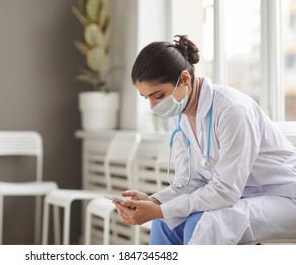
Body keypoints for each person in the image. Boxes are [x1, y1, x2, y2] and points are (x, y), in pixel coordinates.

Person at [113, 35, 296, 245]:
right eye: (147, 98)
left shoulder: (232, 109)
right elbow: (189, 181)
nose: (153, 106)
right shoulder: (179, 116)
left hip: (284, 196)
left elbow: (225, 190)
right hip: (243, 196)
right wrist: (154, 201)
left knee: (204, 223)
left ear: (184, 79)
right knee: (164, 223)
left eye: (158, 95)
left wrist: (161, 209)